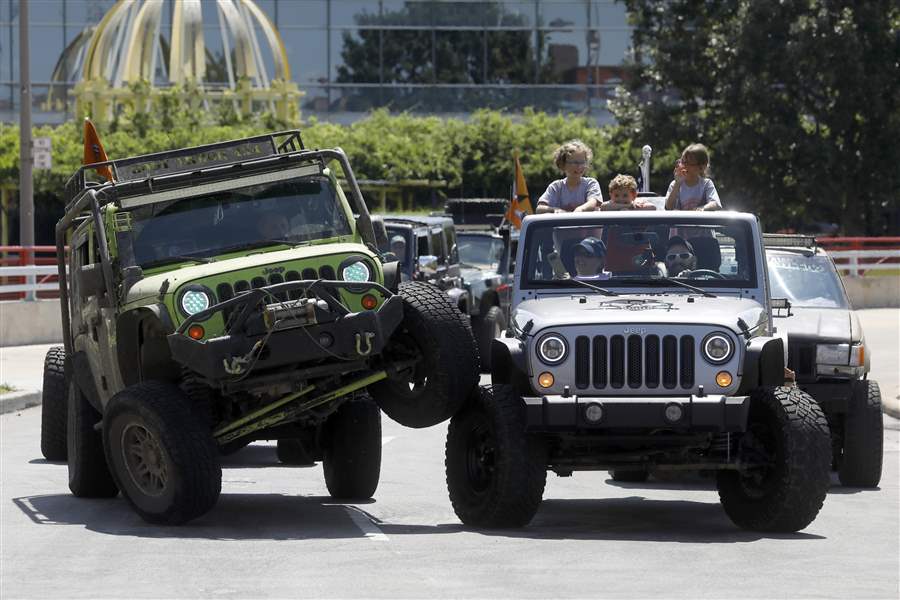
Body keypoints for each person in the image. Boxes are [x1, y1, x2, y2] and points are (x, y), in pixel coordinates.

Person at [536, 140, 603, 214]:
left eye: (582, 162)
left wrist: (580, 209)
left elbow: (593, 202)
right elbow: (539, 209)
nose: (579, 166)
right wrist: (555, 210)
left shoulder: (591, 183)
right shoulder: (556, 187)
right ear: (562, 164)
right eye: (575, 162)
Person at [665, 143, 722, 211]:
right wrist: (677, 184)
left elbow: (716, 204)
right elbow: (668, 207)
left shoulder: (706, 184)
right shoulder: (675, 184)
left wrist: (702, 208)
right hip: (681, 221)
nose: (684, 166)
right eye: (682, 162)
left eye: (688, 163)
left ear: (701, 167)